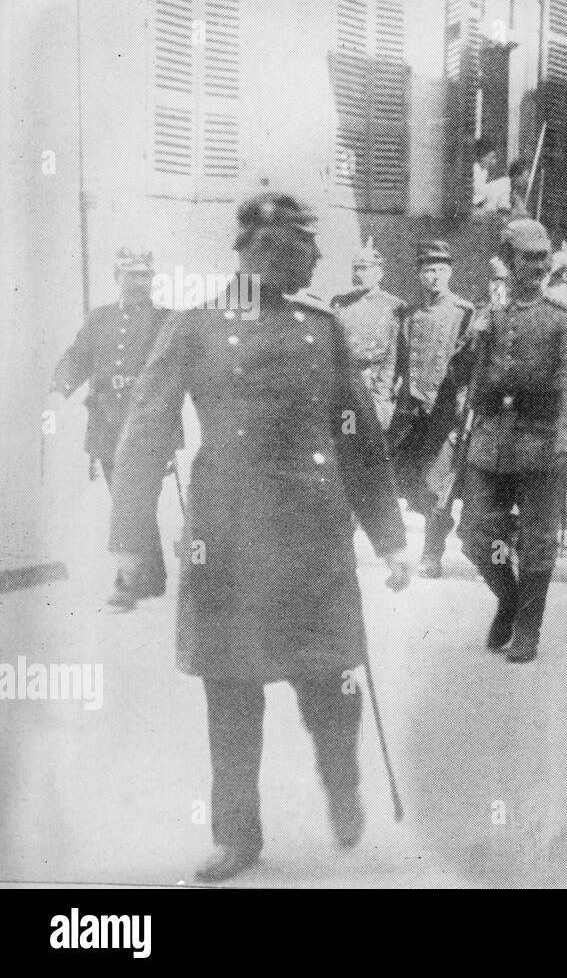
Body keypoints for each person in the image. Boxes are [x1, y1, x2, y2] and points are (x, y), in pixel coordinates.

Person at [108, 192, 412, 883]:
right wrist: (128, 537)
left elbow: (360, 438)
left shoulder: (321, 327)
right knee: (231, 690)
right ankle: (236, 837)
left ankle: (342, 783)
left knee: (330, 681)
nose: (320, 258)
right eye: (309, 245)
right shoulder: (198, 326)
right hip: (229, 537)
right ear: (275, 251)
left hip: (312, 535)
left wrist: (390, 537)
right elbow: (147, 428)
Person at [457, 218, 567, 663]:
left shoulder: (562, 318)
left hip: (541, 441)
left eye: (542, 258)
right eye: (527, 258)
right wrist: (472, 338)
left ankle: (528, 628)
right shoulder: (489, 315)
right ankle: (509, 599)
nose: (535, 267)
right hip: (491, 438)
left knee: (537, 542)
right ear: (507, 260)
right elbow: (459, 376)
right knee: (476, 533)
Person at [47, 246, 182, 611]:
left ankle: (128, 580)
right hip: (107, 423)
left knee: (133, 497)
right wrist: (58, 392)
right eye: (131, 275)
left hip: (149, 425)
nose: (139, 282)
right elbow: (77, 357)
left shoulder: (167, 320)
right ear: (117, 278)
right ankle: (152, 578)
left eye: (145, 275)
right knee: (128, 498)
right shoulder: (99, 319)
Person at [388, 240, 476, 578]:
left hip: (446, 415)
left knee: (439, 488)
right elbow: (398, 364)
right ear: (419, 274)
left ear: (450, 272)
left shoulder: (464, 313)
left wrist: (463, 415)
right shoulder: (409, 316)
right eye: (428, 270)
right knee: (411, 484)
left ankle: (432, 554)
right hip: (411, 414)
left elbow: (470, 367)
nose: (434, 277)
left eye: (440, 270)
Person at [329, 237, 402, 431]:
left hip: (373, 391)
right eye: (355, 268)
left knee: (371, 445)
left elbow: (392, 358)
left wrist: (381, 397)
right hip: (345, 391)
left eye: (364, 268)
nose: (358, 274)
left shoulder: (393, 306)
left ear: (379, 273)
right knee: (348, 438)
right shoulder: (340, 303)